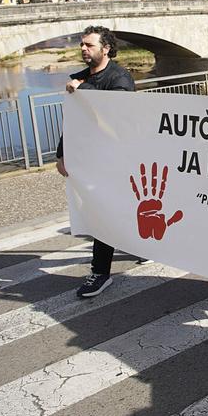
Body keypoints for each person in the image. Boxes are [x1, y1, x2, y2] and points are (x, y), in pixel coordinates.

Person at [54, 26, 136, 299]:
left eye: (89, 45)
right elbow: (72, 122)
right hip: (89, 157)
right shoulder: (78, 78)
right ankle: (140, 245)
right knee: (110, 210)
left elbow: (118, 110)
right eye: (82, 45)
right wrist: (61, 154)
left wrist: (84, 89)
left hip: (116, 157)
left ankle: (100, 273)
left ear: (106, 49)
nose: (83, 49)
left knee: (104, 213)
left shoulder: (120, 77)